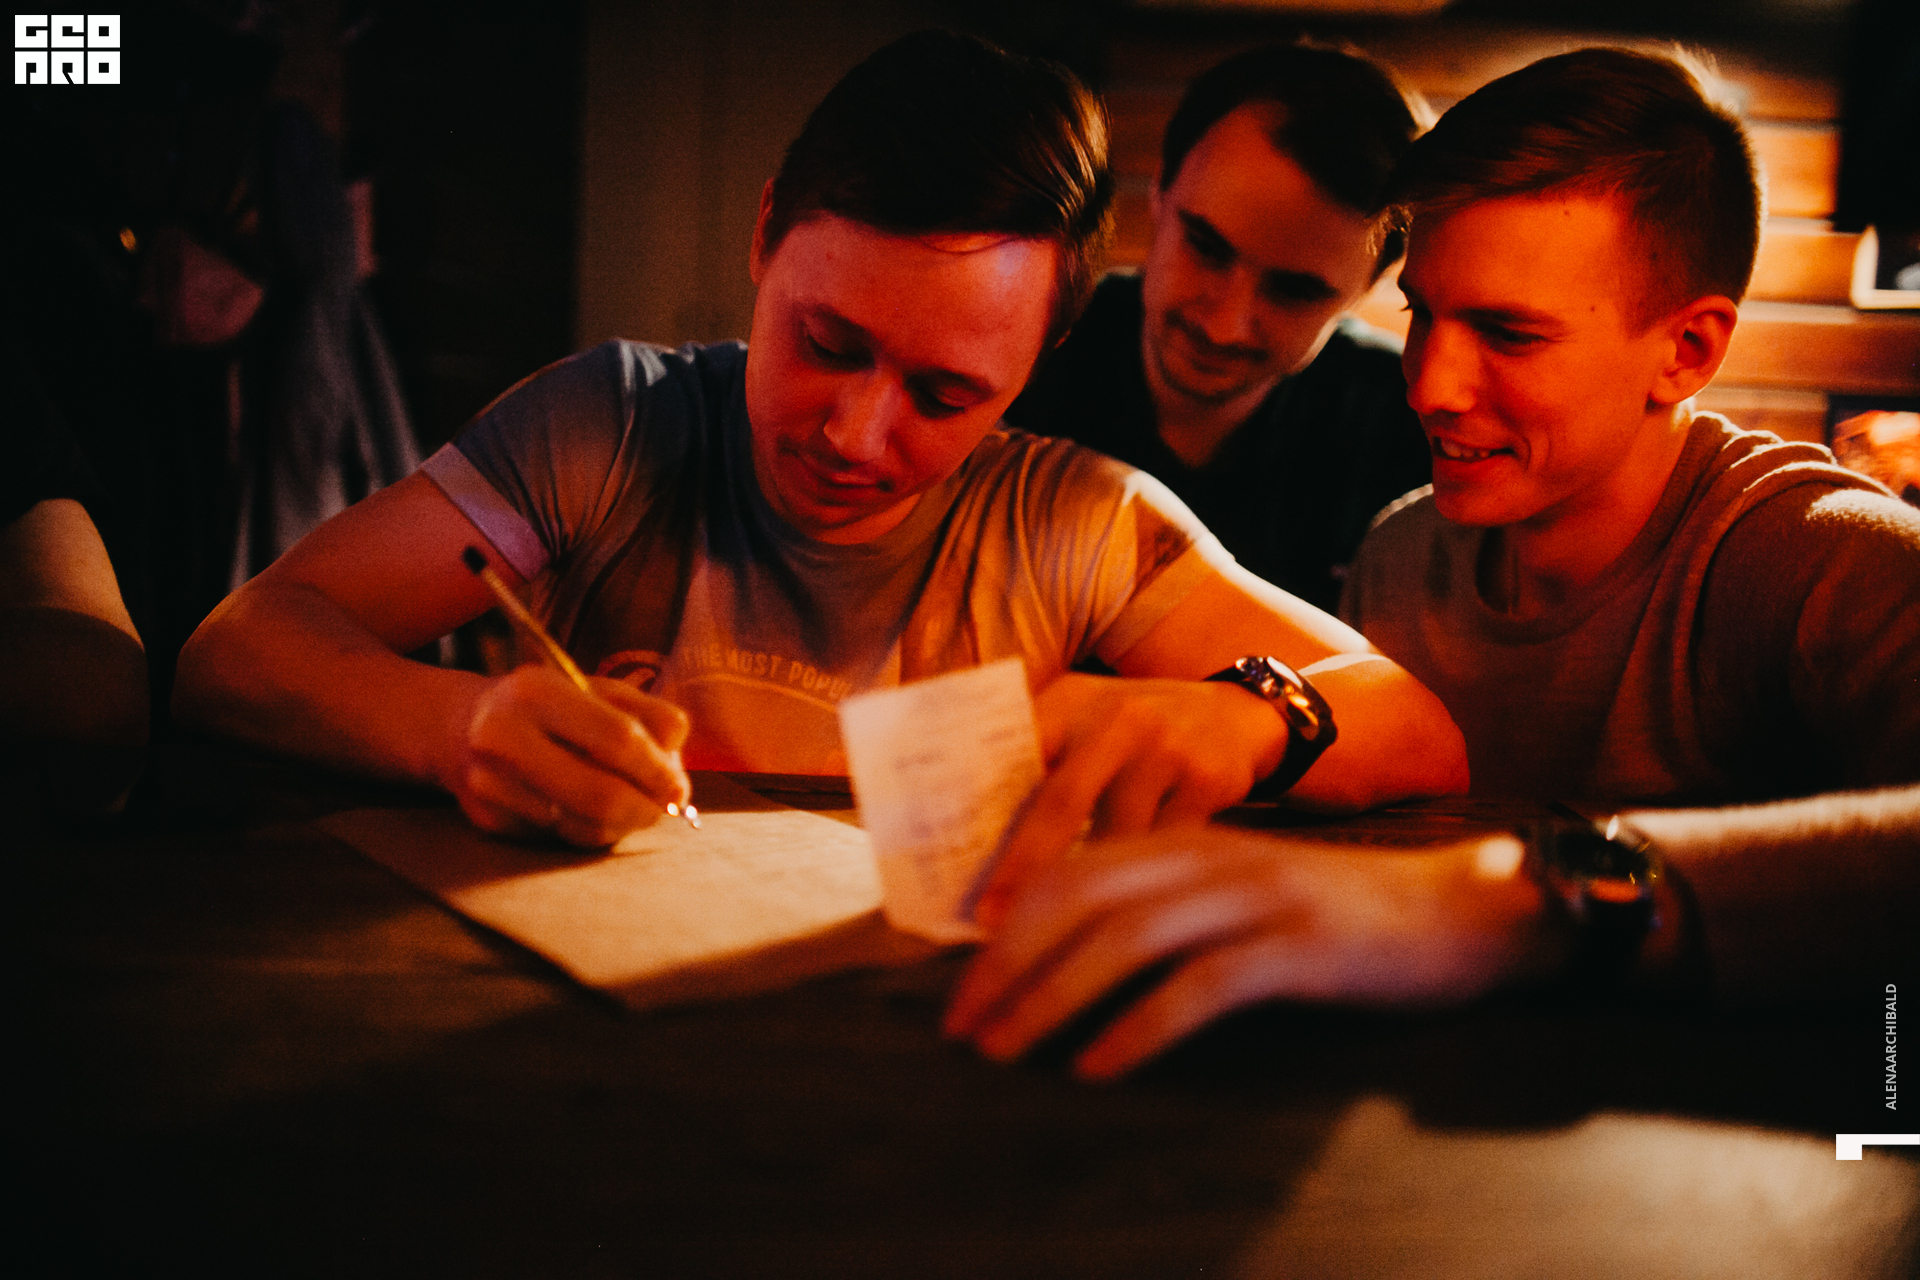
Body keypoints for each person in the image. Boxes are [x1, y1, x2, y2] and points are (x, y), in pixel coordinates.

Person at [174, 31, 1467, 871]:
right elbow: (236, 650)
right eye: (827, 342)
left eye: (946, 393)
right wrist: (460, 727)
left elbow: (1414, 728)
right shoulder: (609, 425)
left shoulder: (1081, 521)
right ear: (763, 237)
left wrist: (1243, 717)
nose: (855, 434)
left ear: (1039, 358)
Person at [944, 46, 1920, 1076]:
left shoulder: (1820, 553)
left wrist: (1523, 899)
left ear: (1687, 351)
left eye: (1508, 333)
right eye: (1423, 313)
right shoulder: (1402, 552)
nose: (1429, 387)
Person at [1004, 41, 1434, 613]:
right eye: (1206, 248)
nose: (1225, 326)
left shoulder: (1415, 428)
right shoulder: (1020, 353)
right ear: (1160, 189)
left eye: (1294, 291)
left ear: (1372, 282)